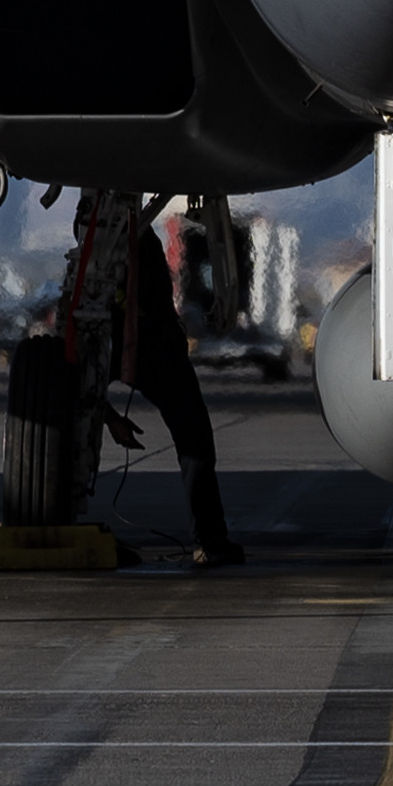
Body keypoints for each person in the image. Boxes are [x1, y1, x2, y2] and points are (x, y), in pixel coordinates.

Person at [63, 192, 240, 566]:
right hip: (127, 341)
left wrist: (108, 417)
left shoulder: (128, 237)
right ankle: (210, 539)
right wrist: (109, 418)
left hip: (149, 345)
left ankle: (211, 538)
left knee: (195, 438)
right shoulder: (110, 235)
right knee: (193, 437)